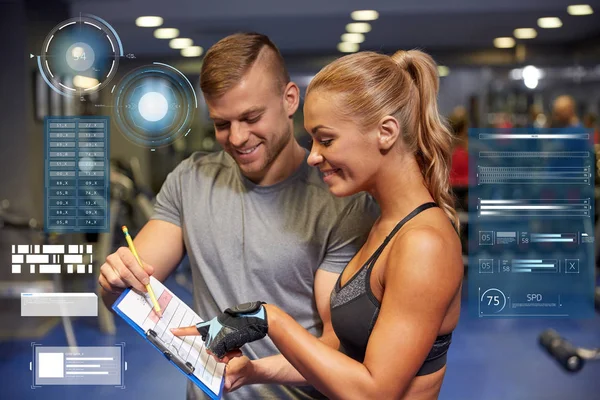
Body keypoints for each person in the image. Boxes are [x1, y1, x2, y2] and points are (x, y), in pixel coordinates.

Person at [99, 32, 378, 399]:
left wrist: (256, 371)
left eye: (251, 117)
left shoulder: (340, 201)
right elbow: (135, 286)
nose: (238, 137)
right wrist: (116, 279)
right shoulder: (191, 180)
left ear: (290, 99)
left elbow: (336, 343)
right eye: (222, 123)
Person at [174, 49, 464, 399]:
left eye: (326, 140)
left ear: (386, 132)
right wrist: (254, 370)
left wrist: (270, 319)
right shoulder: (385, 225)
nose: (313, 155)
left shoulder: (424, 243)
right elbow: (344, 358)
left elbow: (374, 392)